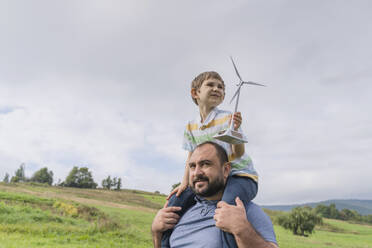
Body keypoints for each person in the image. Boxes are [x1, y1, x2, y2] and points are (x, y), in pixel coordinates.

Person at [164, 71, 259, 246]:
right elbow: (191, 158)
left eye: (221, 87)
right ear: (195, 93)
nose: (217, 88)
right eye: (211, 85)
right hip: (210, 177)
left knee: (226, 212)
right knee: (173, 204)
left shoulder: (227, 118)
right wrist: (184, 183)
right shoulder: (190, 126)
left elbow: (236, 154)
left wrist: (236, 130)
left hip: (240, 177)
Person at [152, 141, 278, 248]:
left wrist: (243, 230)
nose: (197, 172)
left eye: (205, 164)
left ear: (225, 170)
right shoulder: (183, 210)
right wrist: (156, 232)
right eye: (192, 166)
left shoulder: (245, 211)